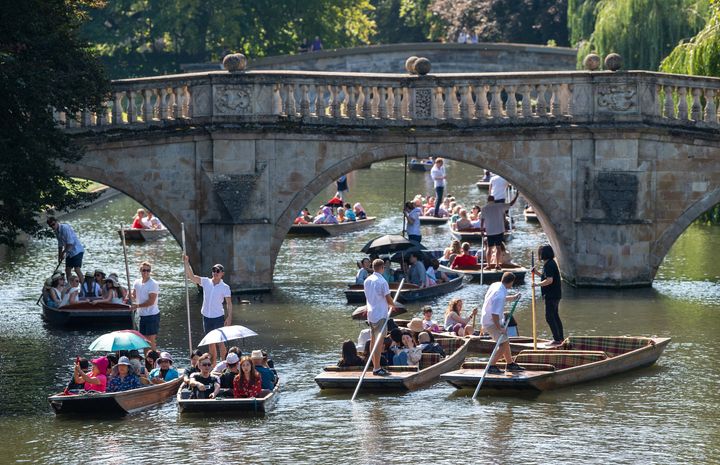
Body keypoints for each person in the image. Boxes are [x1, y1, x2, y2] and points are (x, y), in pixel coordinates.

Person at [183, 256, 233, 365]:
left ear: (222, 273)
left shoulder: (225, 287)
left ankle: (224, 364)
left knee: (220, 342)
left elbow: (229, 303)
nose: (215, 272)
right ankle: (214, 365)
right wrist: (187, 263)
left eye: (218, 271)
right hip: (206, 317)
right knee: (211, 342)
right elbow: (191, 277)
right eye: (214, 270)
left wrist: (229, 317)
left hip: (218, 317)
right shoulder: (206, 281)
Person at [480, 272, 524, 374]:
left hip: (489, 319)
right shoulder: (500, 294)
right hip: (491, 322)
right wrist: (500, 328)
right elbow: (494, 314)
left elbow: (499, 299)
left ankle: (510, 364)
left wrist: (513, 298)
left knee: (505, 341)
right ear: (511, 282)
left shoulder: (496, 285)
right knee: (503, 344)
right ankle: (491, 365)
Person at [363, 258, 397, 376]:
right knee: (378, 342)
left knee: (373, 341)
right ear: (382, 268)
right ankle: (377, 368)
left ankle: (375, 366)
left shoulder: (367, 280)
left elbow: (369, 297)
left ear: (373, 267)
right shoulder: (382, 282)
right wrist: (393, 305)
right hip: (380, 315)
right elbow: (388, 299)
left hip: (371, 314)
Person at [535, 245, 564, 346]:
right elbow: (546, 277)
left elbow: (549, 280)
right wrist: (536, 273)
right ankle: (560, 338)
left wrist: (536, 284)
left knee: (549, 317)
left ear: (543, 254)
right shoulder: (550, 263)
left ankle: (557, 339)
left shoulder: (549, 265)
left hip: (551, 295)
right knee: (555, 316)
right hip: (555, 294)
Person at [481, 192, 519, 270]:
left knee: (489, 248)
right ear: (494, 200)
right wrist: (516, 196)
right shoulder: (499, 206)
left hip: (490, 231)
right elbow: (511, 204)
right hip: (499, 230)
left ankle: (488, 265)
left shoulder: (484, 208)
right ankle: (497, 265)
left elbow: (482, 220)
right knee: (498, 247)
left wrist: (481, 230)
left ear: (487, 200)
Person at [131, 262, 160, 352]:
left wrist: (137, 306)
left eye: (148, 270)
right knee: (144, 341)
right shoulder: (136, 282)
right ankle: (147, 362)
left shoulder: (153, 284)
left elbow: (151, 301)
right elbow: (134, 295)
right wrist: (130, 296)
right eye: (144, 270)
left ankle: (154, 360)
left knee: (151, 341)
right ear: (140, 271)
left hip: (152, 315)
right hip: (142, 315)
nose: (146, 272)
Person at [47, 217, 85, 285]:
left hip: (77, 250)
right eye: (50, 226)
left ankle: (84, 288)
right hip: (69, 252)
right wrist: (59, 256)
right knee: (67, 270)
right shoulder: (56, 231)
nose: (52, 227)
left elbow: (70, 243)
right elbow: (60, 244)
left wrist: (63, 253)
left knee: (77, 269)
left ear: (56, 222)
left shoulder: (65, 228)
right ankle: (69, 287)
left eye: (53, 224)